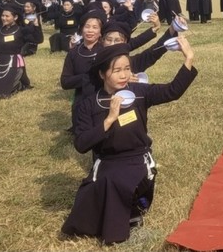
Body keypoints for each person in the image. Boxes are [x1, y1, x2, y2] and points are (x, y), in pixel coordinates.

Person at [61, 39, 198, 245]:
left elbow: (172, 91)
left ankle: (126, 217)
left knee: (118, 184)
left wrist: (188, 58)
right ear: (102, 74)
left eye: (127, 68)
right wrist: (108, 120)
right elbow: (81, 144)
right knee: (88, 202)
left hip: (136, 160)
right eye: (117, 70)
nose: (124, 75)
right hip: (107, 162)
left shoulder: (139, 93)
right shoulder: (89, 104)